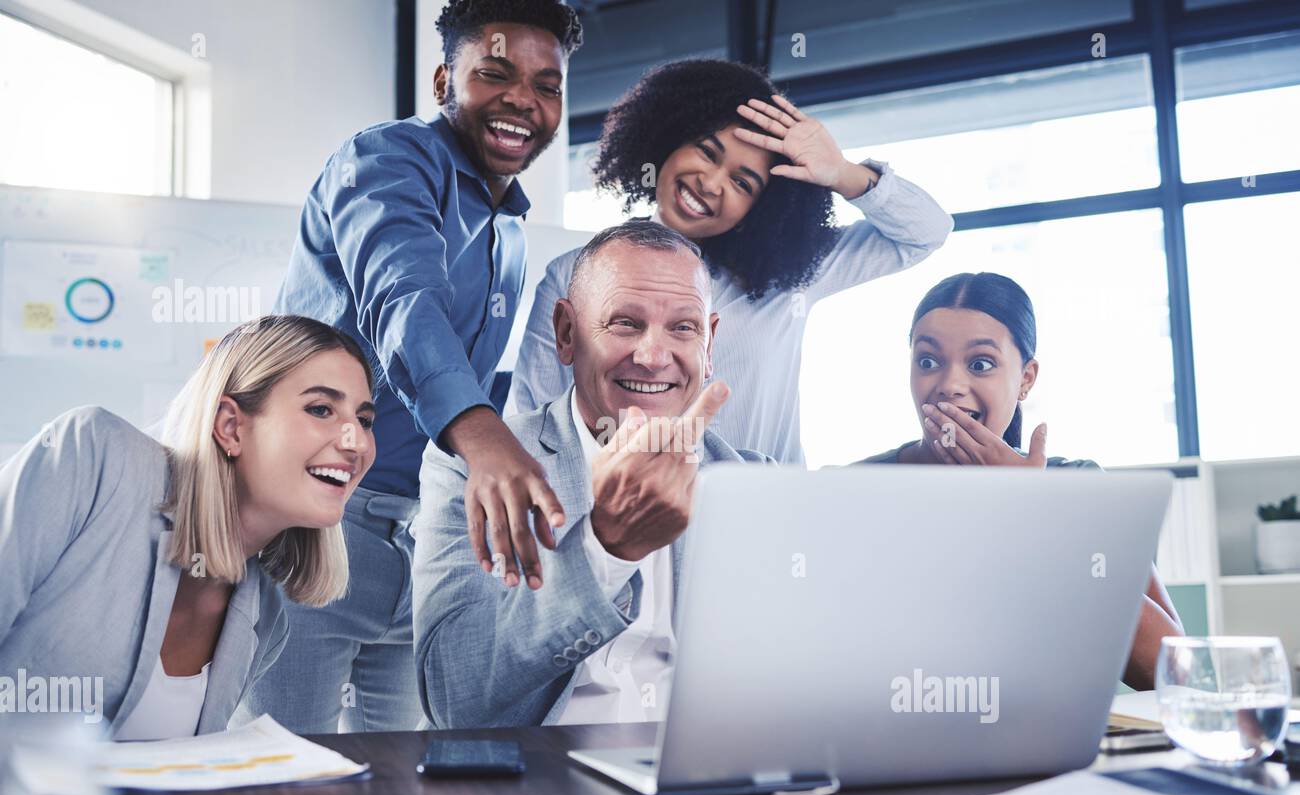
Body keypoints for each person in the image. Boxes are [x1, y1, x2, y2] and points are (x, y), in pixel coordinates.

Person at [241, 0, 584, 734]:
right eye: (495, 74)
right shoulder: (388, 161)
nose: (524, 99)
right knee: (280, 791)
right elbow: (405, 302)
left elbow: (486, 376)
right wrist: (485, 438)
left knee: (400, 791)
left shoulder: (512, 231)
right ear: (441, 81)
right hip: (318, 531)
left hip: (422, 540)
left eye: (548, 85)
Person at [412, 221, 774, 728]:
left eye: (683, 328)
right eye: (625, 323)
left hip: (691, 790)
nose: (652, 357)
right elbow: (456, 697)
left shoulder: (754, 483)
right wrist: (603, 550)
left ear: (709, 344)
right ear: (566, 334)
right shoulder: (473, 463)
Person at [508, 58, 953, 464]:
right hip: (616, 518)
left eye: (742, 183)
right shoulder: (573, 274)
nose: (712, 184)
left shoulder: (788, 279)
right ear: (667, 138)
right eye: (706, 152)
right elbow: (539, 421)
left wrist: (842, 172)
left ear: (761, 207)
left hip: (764, 520)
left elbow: (924, 233)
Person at [0, 315, 376, 739]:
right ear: (230, 426)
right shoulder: (92, 458)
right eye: (321, 409)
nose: (356, 443)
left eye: (364, 419)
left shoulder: (263, 615)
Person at [857, 272, 1183, 689]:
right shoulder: (859, 489)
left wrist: (1033, 512)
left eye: (980, 364)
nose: (949, 385)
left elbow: (1173, 673)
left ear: (1026, 379)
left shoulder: (1077, 488)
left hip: (1047, 744)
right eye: (927, 361)